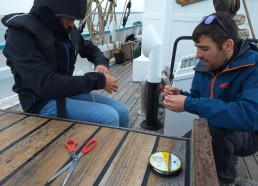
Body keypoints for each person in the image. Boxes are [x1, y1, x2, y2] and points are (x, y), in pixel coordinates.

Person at [163, 12, 258, 185]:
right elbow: (198, 98)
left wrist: (190, 103)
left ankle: (223, 180)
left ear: (227, 45)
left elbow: (249, 116)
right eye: (197, 47)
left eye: (204, 48)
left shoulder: (254, 67)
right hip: (213, 127)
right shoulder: (204, 65)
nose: (198, 54)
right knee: (184, 146)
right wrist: (182, 96)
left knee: (213, 127)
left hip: (249, 135)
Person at [1, 0, 129, 128]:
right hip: (42, 102)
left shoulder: (65, 29)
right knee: (109, 116)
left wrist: (101, 63)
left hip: (66, 91)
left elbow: (91, 49)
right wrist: (98, 81)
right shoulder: (20, 35)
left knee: (122, 111)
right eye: (69, 17)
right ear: (52, 11)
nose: (72, 23)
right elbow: (45, 84)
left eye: (75, 18)